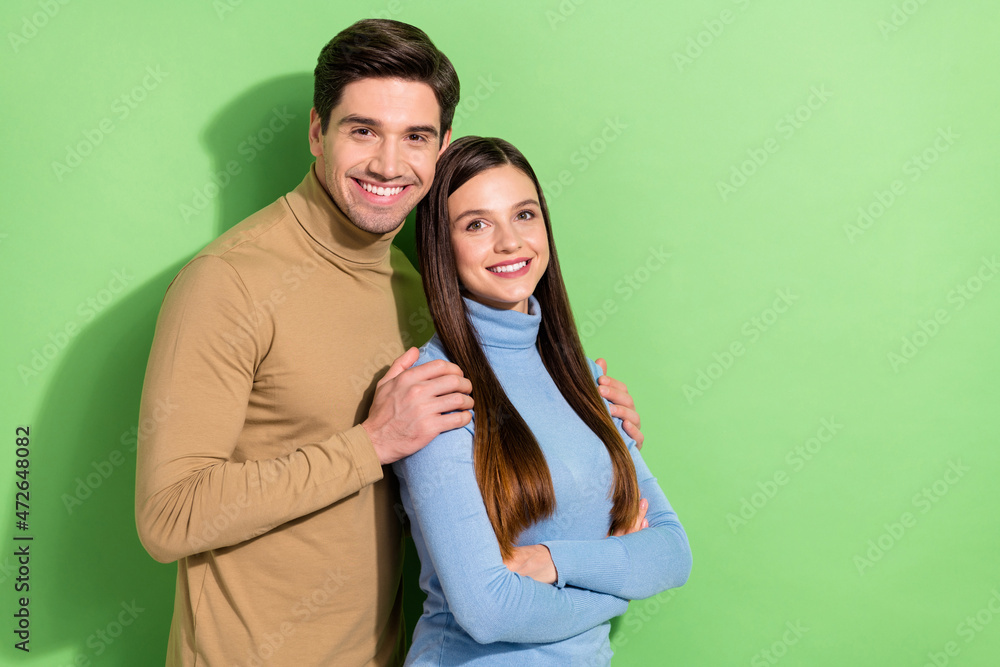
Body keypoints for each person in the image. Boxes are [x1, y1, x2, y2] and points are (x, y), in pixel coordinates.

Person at [135, 19, 645, 666]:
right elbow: (167, 516)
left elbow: (469, 452)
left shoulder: (418, 284)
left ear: (442, 147)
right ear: (318, 131)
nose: (388, 162)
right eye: (363, 130)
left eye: (415, 137)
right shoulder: (228, 281)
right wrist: (369, 443)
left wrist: (586, 417)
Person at [393, 136, 692, 665]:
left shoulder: (580, 378)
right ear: (442, 245)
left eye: (524, 215)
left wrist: (553, 561)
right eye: (477, 224)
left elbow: (672, 554)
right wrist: (618, 580)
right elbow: (488, 611)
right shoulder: (437, 386)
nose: (511, 242)